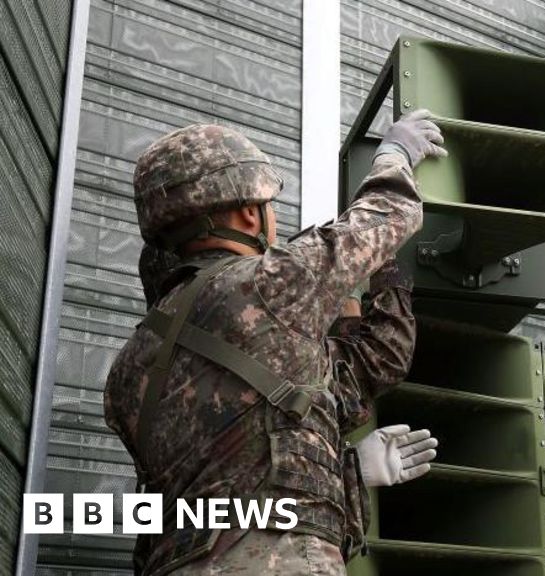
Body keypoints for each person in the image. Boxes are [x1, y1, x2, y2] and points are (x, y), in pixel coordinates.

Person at [106, 110, 447, 576]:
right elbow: (390, 214)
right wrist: (395, 154)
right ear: (250, 212)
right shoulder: (270, 284)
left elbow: (196, 503)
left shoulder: (127, 368)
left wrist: (346, 471)